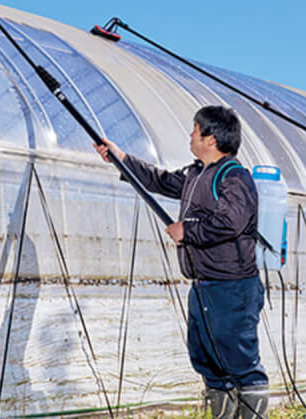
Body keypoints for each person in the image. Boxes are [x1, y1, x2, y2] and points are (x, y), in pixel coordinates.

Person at [95, 106, 268, 419]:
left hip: (233, 288)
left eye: (195, 129)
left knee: (240, 360)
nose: (190, 135)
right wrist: (122, 159)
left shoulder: (234, 177)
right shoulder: (195, 174)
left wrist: (188, 230)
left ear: (211, 139)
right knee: (208, 358)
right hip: (203, 285)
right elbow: (158, 180)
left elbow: (231, 222)